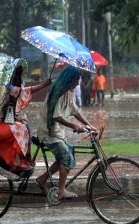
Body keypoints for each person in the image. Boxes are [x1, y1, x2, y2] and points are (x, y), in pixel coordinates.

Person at [35, 66, 96, 200]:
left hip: (57, 133)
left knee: (64, 156)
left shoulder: (69, 91)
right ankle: (62, 191)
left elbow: (75, 111)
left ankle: (42, 178)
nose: (76, 84)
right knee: (67, 159)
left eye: (77, 81)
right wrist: (73, 125)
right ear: (69, 80)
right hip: (49, 134)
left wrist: (89, 125)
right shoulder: (59, 92)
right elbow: (56, 116)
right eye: (75, 81)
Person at [0, 64, 52, 172]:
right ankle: (17, 161)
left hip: (7, 125)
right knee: (22, 128)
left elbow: (30, 89)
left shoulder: (15, 91)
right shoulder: (2, 93)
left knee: (24, 127)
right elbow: (3, 114)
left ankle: (22, 158)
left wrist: (45, 84)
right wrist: (16, 118)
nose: (17, 91)